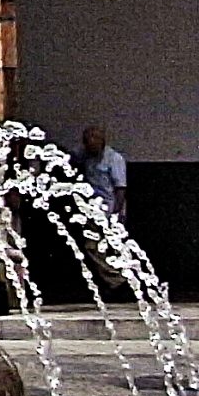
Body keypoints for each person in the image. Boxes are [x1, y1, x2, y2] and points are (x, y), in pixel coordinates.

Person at [73, 126, 131, 297]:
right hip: (93, 208)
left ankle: (118, 281)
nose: (90, 146)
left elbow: (120, 188)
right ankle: (115, 281)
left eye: (93, 142)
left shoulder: (114, 159)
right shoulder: (86, 156)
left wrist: (115, 214)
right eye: (87, 143)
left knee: (103, 247)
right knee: (94, 247)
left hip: (110, 207)